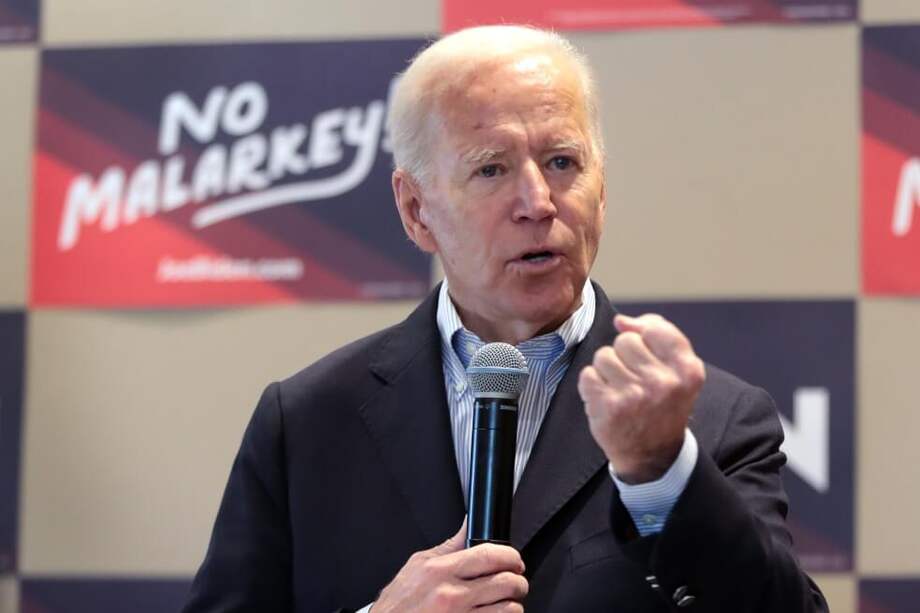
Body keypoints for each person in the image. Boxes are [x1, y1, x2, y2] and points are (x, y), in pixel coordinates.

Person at [183, 25, 829, 612]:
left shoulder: (710, 422)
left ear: (602, 189)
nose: (538, 202)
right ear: (415, 210)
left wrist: (662, 471)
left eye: (562, 162)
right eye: (491, 168)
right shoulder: (304, 424)